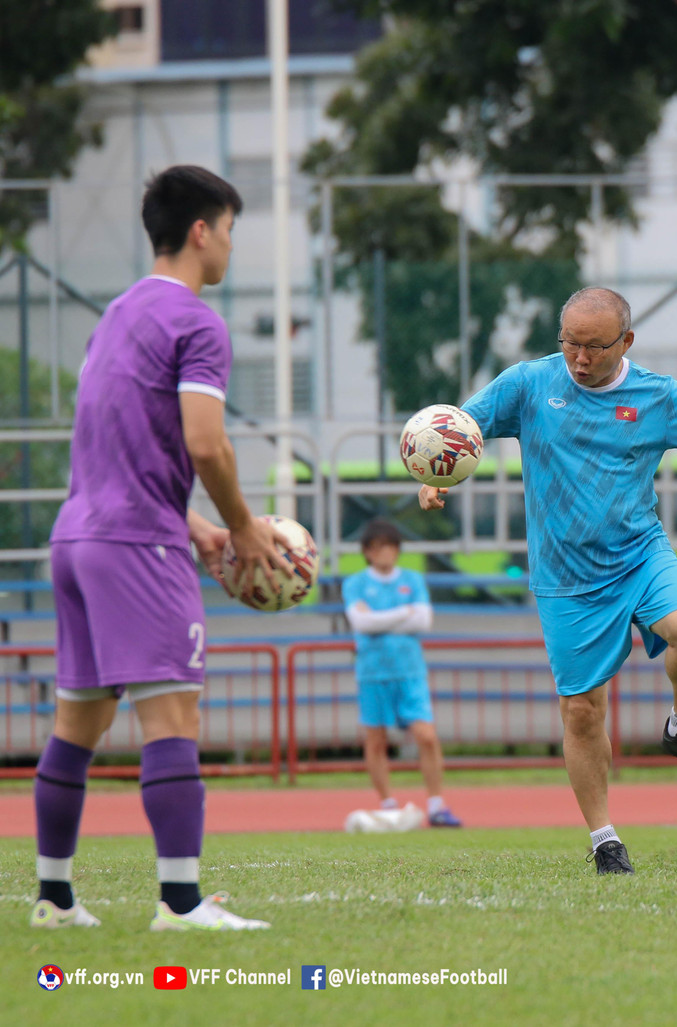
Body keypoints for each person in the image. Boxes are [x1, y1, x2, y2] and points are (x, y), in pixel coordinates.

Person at [418, 288, 677, 874]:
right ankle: (604, 839)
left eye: (595, 347)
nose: (579, 358)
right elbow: (459, 428)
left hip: (640, 553)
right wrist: (437, 474)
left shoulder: (657, 395)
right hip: (566, 576)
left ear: (626, 342)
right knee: (582, 710)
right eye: (570, 344)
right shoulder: (529, 384)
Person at [32, 166, 288, 930]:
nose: (232, 247)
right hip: (136, 547)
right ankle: (180, 903)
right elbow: (204, 444)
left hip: (78, 538)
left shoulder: (113, 315)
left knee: (76, 726)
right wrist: (241, 523)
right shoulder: (196, 320)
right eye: (232, 229)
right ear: (203, 230)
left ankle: (53, 898)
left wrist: (195, 525)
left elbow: (118, 446)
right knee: (173, 717)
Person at [343, 518, 462, 828]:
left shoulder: (412, 578)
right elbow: (360, 623)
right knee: (376, 740)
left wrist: (380, 618)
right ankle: (387, 804)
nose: (386, 553)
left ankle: (436, 804)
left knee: (426, 735)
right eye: (379, 547)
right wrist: (403, 613)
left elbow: (423, 621)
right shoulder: (354, 583)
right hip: (372, 672)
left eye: (391, 547)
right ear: (368, 551)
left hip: (410, 671)